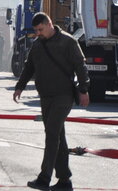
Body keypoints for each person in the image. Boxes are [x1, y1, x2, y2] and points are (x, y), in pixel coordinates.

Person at [12, 12, 90, 191]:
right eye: (36, 30)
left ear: (49, 24)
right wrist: (20, 86)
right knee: (58, 138)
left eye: (40, 29)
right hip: (46, 97)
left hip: (64, 96)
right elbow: (29, 66)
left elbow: (80, 66)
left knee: (52, 134)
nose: (38, 33)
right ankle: (64, 181)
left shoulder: (68, 42)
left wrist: (84, 89)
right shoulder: (38, 44)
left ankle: (44, 178)